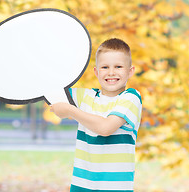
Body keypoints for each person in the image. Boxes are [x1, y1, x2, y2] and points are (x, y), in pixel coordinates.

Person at [50, 38, 142, 192]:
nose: (111, 72)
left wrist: (70, 111)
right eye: (105, 67)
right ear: (96, 72)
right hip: (82, 186)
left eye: (118, 66)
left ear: (130, 71)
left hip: (115, 188)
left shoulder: (131, 97)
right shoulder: (86, 96)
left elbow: (105, 128)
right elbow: (53, 89)